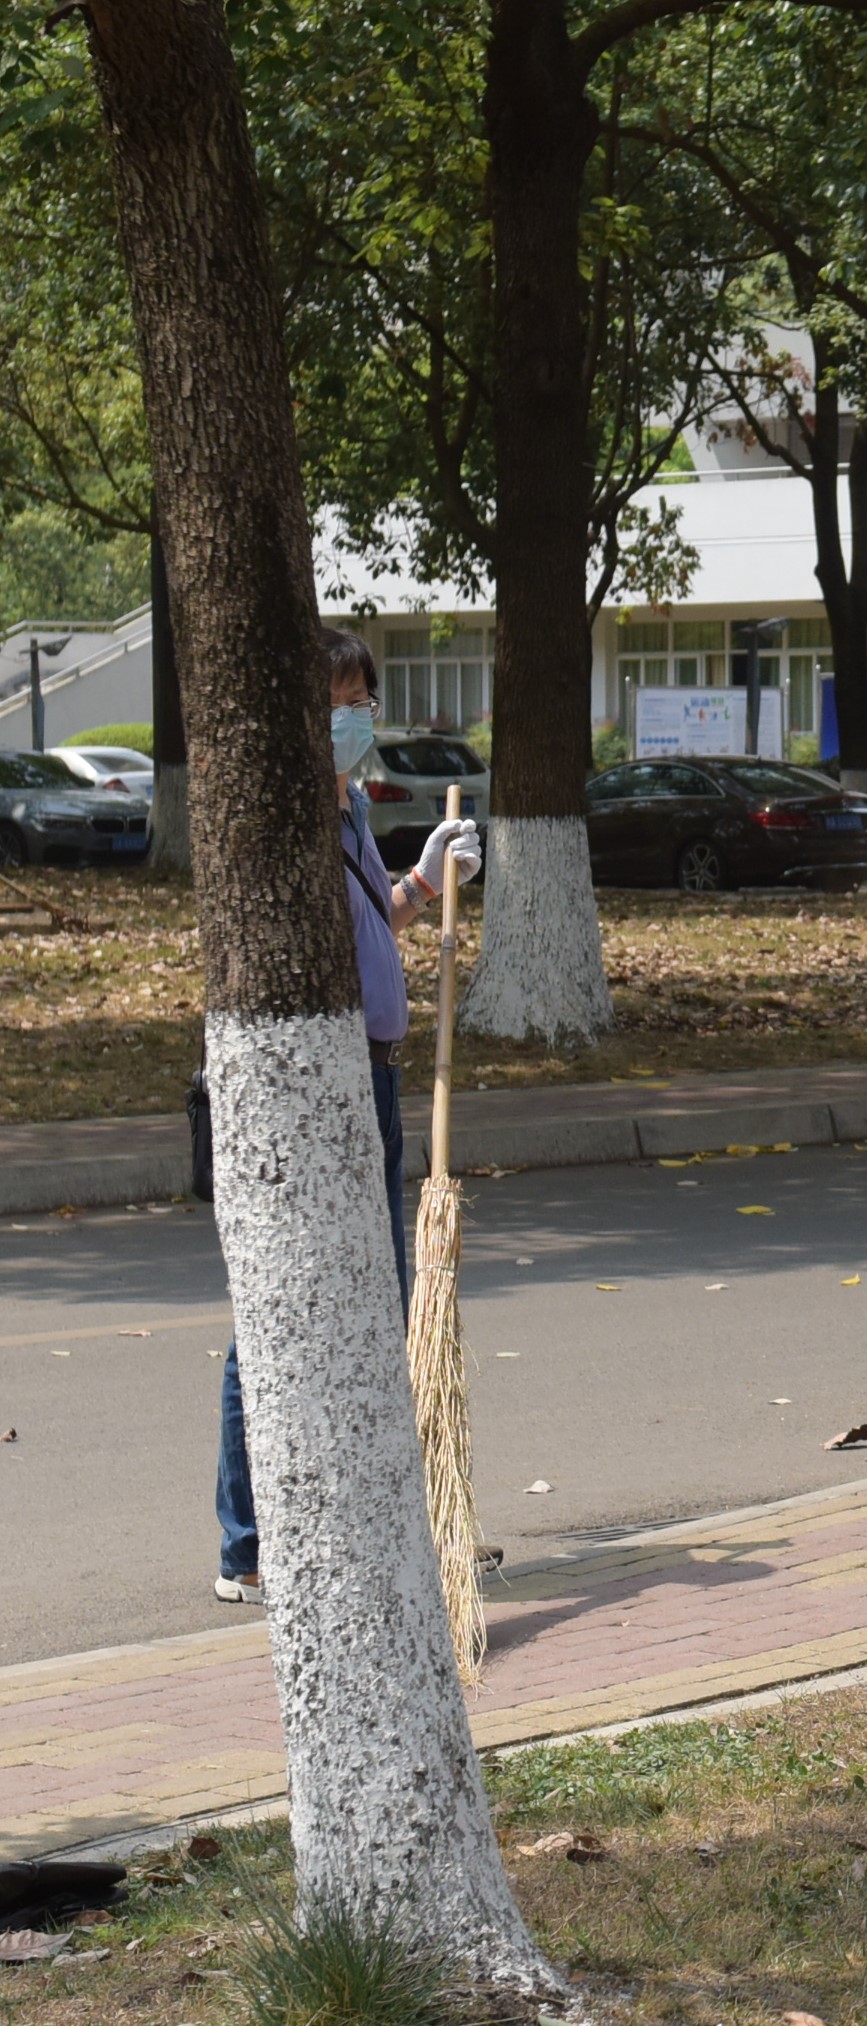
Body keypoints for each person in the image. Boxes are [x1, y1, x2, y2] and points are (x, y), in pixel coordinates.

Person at [213, 628, 483, 1605]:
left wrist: (425, 880)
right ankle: (248, 1544)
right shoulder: (286, 822)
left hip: (375, 1075)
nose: (351, 718)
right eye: (333, 702)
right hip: (319, 1084)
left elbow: (371, 924)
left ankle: (374, 1518)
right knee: (280, 1308)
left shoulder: (349, 810)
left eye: (361, 699)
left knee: (376, 1298)